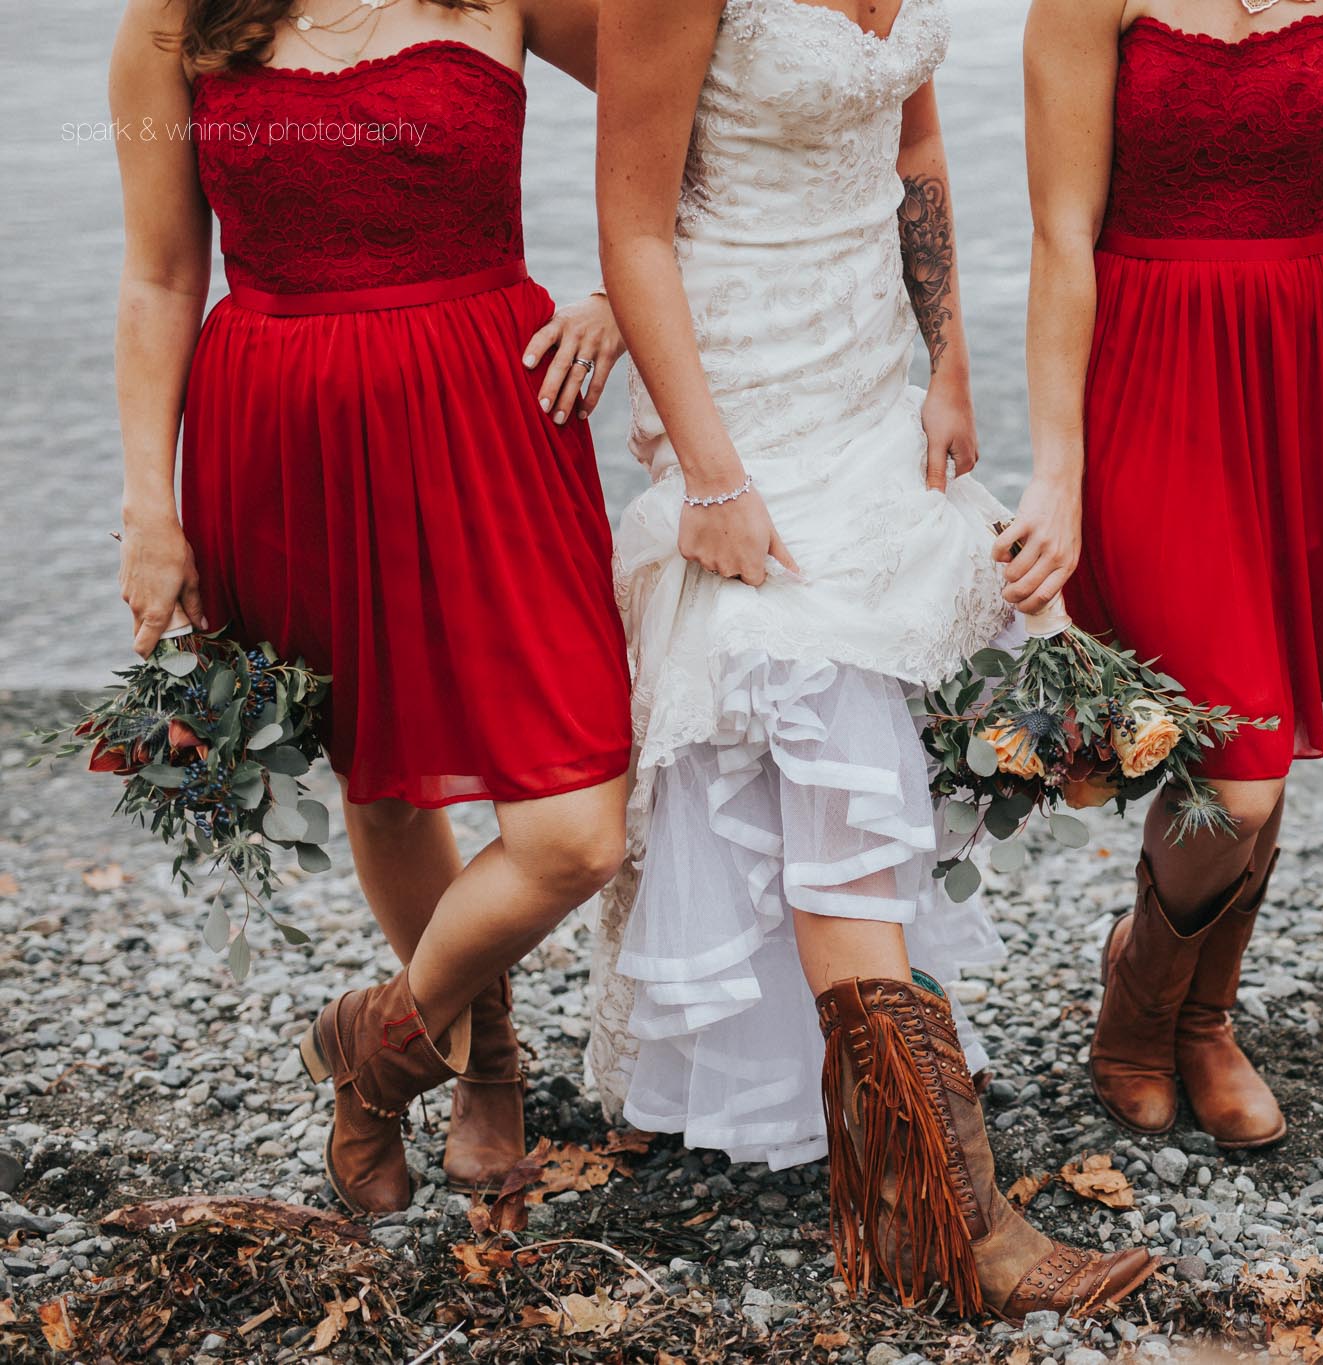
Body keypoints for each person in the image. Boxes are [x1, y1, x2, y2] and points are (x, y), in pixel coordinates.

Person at [583, 0, 1156, 1318]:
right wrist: (714, 480)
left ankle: (889, 1108)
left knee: (900, 701)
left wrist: (948, 366)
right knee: (818, 700)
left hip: (863, 378)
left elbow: (917, 156)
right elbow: (632, 228)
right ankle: (942, 1210)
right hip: (741, 396)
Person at [108, 0, 633, 1213]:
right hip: (278, 435)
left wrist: (621, 286)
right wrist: (149, 508)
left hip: (491, 415)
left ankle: (378, 1046)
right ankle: (482, 1067)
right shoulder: (176, 18)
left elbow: (705, 116)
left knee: (574, 831)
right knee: (389, 781)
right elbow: (158, 271)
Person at [1018, 0, 1323, 1149]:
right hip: (1154, 368)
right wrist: (1056, 470)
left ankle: (1200, 1021)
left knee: (1270, 715)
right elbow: (1059, 233)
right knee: (1235, 761)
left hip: (1314, 373)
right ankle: (1137, 1001)